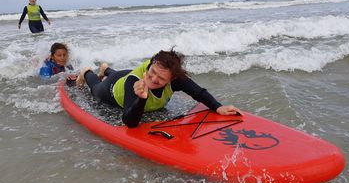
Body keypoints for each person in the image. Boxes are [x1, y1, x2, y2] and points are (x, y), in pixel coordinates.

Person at [76, 49, 242, 128]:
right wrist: (141, 98)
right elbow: (129, 122)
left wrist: (218, 107)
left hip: (125, 74)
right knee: (95, 89)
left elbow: (198, 92)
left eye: (161, 78)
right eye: (152, 72)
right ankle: (88, 72)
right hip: (112, 88)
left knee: (119, 73)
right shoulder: (134, 82)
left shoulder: (176, 78)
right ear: (149, 65)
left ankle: (106, 69)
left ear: (172, 79)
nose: (153, 79)